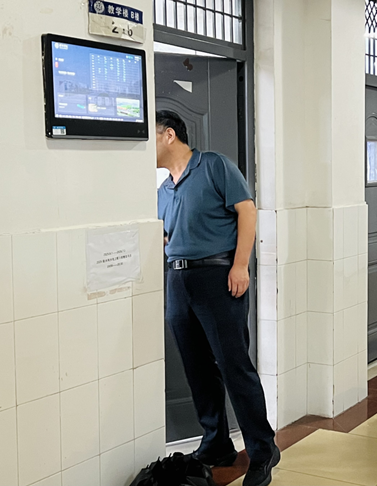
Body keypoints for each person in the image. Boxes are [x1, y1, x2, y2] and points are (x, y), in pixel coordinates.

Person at [156, 110, 279, 486]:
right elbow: (166, 235)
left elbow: (247, 211)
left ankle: (263, 450)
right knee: (197, 367)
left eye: (150, 137)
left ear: (169, 135)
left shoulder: (213, 166)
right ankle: (216, 443)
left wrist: (240, 265)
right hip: (178, 280)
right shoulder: (163, 191)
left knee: (233, 365)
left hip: (218, 276)